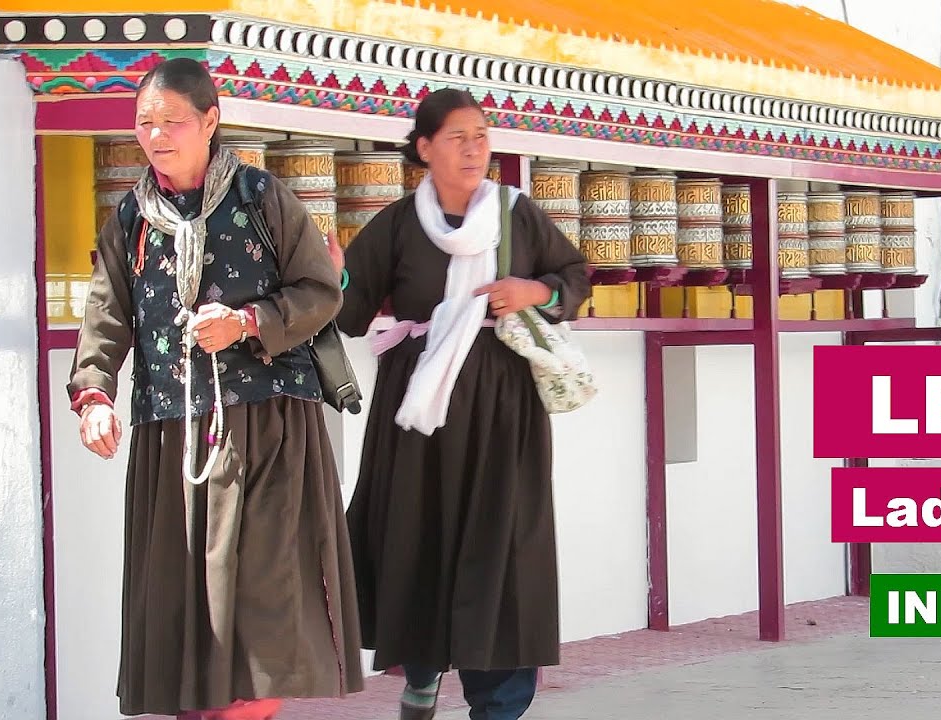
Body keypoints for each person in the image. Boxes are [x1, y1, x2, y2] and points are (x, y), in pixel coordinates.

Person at [68, 57, 364, 720]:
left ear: (210, 121)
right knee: (182, 626)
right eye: (145, 122)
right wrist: (93, 396)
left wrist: (249, 321)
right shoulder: (131, 218)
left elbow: (319, 293)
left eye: (173, 120)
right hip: (170, 434)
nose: (156, 135)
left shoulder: (262, 199)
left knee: (256, 622)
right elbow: (107, 313)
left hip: (264, 434)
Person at [332, 88, 591, 720]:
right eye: (457, 136)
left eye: (481, 135)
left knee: (502, 543)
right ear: (424, 148)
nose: (474, 148)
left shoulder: (517, 215)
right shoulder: (395, 224)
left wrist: (535, 288)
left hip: (504, 411)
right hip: (420, 409)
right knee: (417, 535)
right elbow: (353, 311)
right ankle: (420, 672)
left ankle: (498, 702)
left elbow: (575, 277)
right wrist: (331, 275)